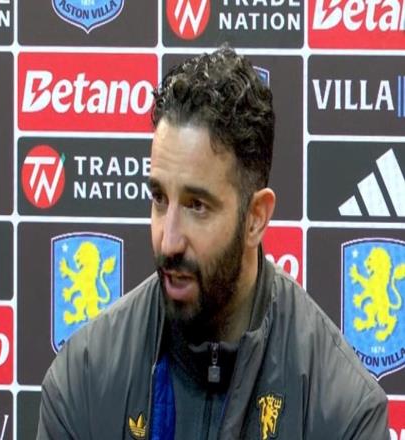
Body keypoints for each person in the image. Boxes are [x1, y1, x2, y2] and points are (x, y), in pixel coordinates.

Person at [36, 47, 390, 440]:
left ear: (255, 217)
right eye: (159, 199)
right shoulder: (84, 378)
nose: (169, 241)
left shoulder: (342, 408)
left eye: (197, 206)